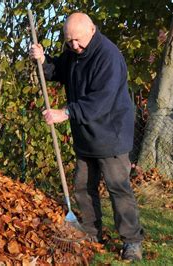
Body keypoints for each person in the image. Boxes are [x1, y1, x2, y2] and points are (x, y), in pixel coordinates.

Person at [29, 13, 144, 261]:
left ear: (92, 30)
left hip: (110, 134)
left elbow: (100, 101)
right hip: (85, 136)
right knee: (83, 188)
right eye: (69, 41)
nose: (74, 46)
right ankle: (92, 235)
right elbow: (59, 70)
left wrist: (66, 112)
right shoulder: (74, 52)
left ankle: (132, 241)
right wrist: (44, 60)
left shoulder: (108, 57)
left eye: (78, 41)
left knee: (118, 189)